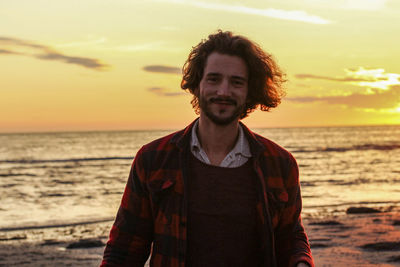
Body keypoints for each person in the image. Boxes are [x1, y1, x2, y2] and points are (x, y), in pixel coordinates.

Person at [101, 30, 314, 267]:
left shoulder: (280, 163)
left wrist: (301, 263)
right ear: (197, 84)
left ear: (249, 90)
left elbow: (290, 235)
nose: (223, 91)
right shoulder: (153, 160)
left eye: (236, 82)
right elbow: (124, 249)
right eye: (214, 79)